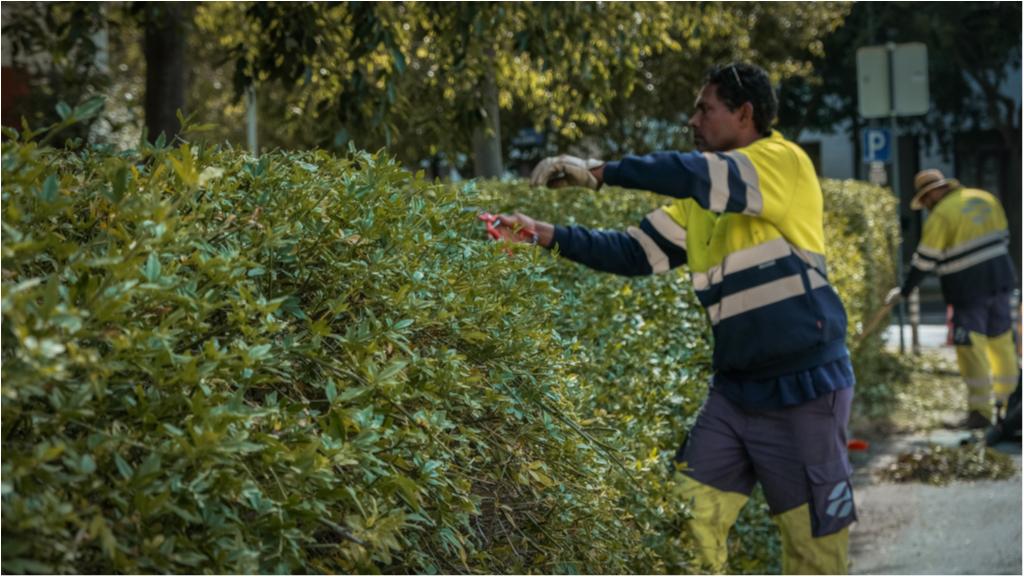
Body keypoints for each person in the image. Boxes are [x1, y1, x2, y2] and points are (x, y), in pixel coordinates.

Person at [493, 62, 855, 574]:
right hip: (735, 394)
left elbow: (690, 172)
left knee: (813, 549)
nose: (693, 121)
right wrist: (540, 233)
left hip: (804, 390)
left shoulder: (781, 162)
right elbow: (632, 251)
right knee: (688, 525)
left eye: (706, 109)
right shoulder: (703, 202)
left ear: (744, 113)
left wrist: (600, 172)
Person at [885, 169, 1019, 429]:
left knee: (971, 349)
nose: (926, 205)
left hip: (968, 290)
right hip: (1001, 280)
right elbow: (1004, 237)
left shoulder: (942, 214)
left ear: (934, 192)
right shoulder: (986, 198)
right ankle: (1010, 407)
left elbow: (925, 259)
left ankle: (980, 412)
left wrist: (905, 290)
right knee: (1002, 343)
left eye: (925, 199)